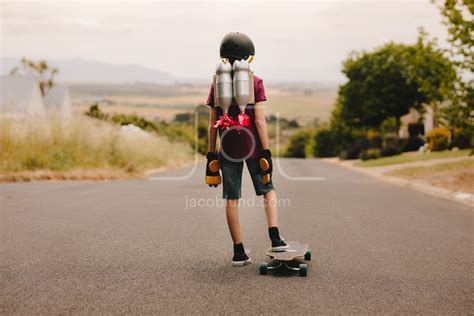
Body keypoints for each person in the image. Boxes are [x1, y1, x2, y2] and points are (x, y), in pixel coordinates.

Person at [205, 32, 288, 266]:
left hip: (228, 149)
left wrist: (211, 153)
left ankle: (238, 252)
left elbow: (212, 123)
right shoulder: (255, 81)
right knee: (268, 189)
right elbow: (260, 121)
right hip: (253, 148)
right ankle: (275, 239)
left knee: (232, 199)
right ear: (247, 56)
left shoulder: (217, 83)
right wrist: (267, 152)